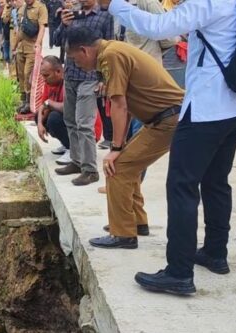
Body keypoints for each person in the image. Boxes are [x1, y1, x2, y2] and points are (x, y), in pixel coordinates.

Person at [105, 0, 236, 295]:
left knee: (181, 187)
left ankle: (179, 271)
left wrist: (114, 5)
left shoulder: (209, 1)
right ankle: (215, 252)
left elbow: (156, 26)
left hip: (207, 109)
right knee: (216, 183)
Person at [65, 26, 183, 249]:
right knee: (128, 164)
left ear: (84, 50)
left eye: (74, 59)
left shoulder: (110, 56)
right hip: (163, 119)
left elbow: (119, 104)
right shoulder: (112, 51)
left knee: (116, 168)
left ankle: (123, 234)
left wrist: (116, 148)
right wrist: (120, 147)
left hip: (168, 119)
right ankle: (136, 223)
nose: (76, 64)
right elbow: (125, 107)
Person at [52, 0, 114, 186]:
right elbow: (56, 41)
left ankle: (90, 170)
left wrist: (104, 78)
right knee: (70, 120)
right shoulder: (72, 14)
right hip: (70, 74)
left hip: (90, 76)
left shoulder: (105, 16)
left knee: (84, 124)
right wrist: (63, 24)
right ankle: (76, 161)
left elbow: (110, 47)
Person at [37, 55, 104, 165]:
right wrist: (40, 123)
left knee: (53, 118)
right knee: (40, 116)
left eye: (46, 75)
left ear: (58, 71)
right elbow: (42, 106)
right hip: (71, 122)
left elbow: (68, 108)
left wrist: (49, 103)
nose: (44, 79)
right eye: (42, 75)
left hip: (90, 131)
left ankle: (74, 150)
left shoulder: (68, 83)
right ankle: (67, 143)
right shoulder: (49, 83)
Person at [13, 0, 48, 114]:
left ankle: (29, 102)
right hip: (21, 46)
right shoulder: (22, 9)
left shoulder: (41, 8)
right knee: (21, 74)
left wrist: (38, 43)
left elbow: (42, 28)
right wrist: (14, 45)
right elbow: (20, 29)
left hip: (32, 47)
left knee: (29, 74)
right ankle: (23, 100)